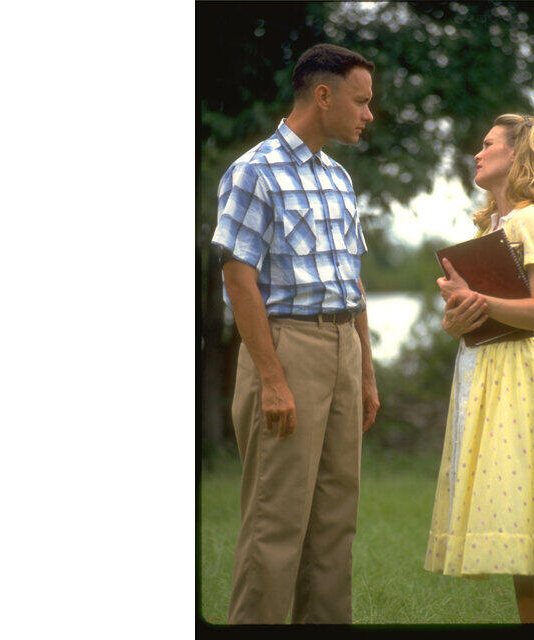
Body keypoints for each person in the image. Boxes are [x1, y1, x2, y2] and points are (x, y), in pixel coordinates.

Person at [210, 43, 381, 625]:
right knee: (276, 524)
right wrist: (273, 379)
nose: (368, 114)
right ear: (323, 95)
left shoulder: (338, 177)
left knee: (335, 523)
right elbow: (238, 280)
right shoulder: (253, 172)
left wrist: (366, 371)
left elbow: (352, 280)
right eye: (361, 101)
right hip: (288, 348)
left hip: (344, 347)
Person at [423, 114, 534, 623]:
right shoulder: (490, 227)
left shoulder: (529, 221)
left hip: (520, 376)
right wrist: (459, 316)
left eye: (488, 144)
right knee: (520, 546)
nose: (477, 153)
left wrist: (478, 299)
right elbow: (485, 310)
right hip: (487, 371)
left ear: (516, 155)